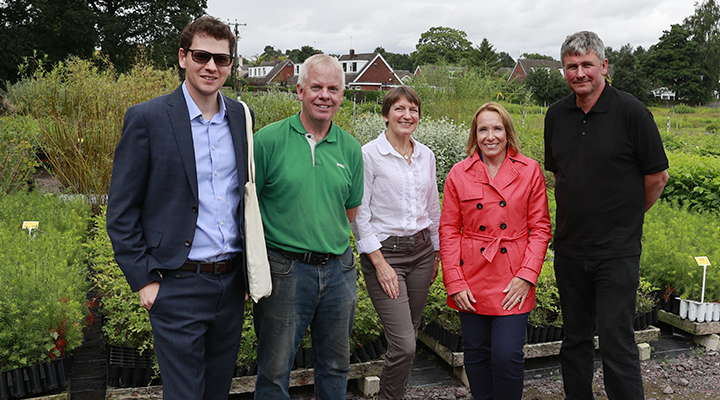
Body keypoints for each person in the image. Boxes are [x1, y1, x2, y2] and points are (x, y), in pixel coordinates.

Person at [106, 16, 251, 400]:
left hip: (230, 285)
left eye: (221, 60)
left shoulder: (240, 116)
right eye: (202, 56)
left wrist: (250, 274)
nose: (211, 67)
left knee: (217, 392)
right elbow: (120, 213)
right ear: (183, 57)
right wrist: (145, 281)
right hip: (177, 285)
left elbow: (245, 200)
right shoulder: (148, 118)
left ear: (231, 65)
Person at [544, 31, 669, 400]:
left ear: (604, 66)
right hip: (569, 249)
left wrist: (624, 218)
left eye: (586, 64)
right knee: (575, 340)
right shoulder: (556, 115)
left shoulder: (632, 112)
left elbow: (657, 177)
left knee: (617, 343)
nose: (579, 73)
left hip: (616, 252)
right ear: (564, 70)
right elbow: (559, 175)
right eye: (571, 66)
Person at [252, 54, 363, 400]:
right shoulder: (268, 142)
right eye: (316, 87)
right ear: (299, 91)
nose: (324, 95)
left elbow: (350, 211)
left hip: (338, 272)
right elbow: (249, 208)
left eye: (333, 89)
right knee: (274, 371)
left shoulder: (351, 148)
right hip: (285, 272)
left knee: (335, 366)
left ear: (342, 96)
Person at [440, 102, 552, 400]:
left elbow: (540, 229)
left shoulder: (529, 171)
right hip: (471, 274)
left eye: (497, 128)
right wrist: (454, 280)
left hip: (513, 276)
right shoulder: (459, 173)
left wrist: (527, 276)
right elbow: (449, 230)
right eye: (483, 129)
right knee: (475, 354)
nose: (490, 136)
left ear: (508, 133)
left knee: (506, 354)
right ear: (475, 135)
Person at [350, 86, 440, 399]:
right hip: (385, 254)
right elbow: (359, 216)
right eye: (399, 109)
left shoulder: (426, 155)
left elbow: (432, 208)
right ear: (386, 114)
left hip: (422, 251)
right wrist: (380, 264)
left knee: (409, 337)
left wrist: (437, 253)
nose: (407, 115)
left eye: (413, 109)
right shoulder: (369, 154)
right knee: (404, 343)